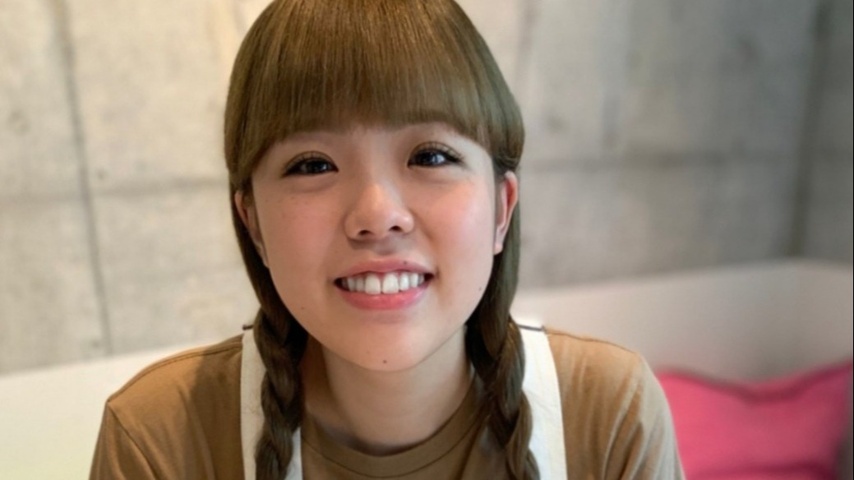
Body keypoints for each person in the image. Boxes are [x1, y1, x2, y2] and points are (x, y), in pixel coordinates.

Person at [90, 0, 684, 478]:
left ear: (502, 209)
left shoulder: (609, 415)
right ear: (253, 225)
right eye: (313, 165)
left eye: (431, 156)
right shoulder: (159, 439)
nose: (378, 215)